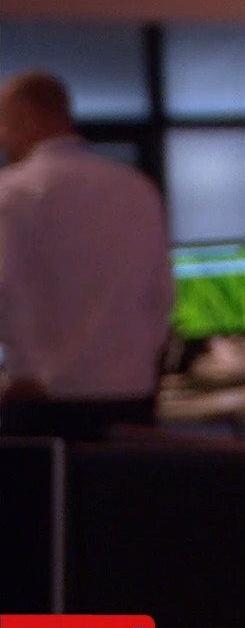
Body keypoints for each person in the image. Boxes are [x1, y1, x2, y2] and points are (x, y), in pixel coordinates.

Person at [0, 71, 173, 440]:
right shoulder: (136, 188)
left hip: (44, 402)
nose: (2, 137)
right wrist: (140, 366)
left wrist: (25, 372)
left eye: (4, 123)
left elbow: (6, 289)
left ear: (28, 117)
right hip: (131, 398)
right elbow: (160, 293)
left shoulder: (13, 193)